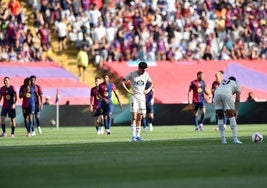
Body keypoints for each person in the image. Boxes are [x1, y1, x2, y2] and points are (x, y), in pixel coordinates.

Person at [121, 62, 154, 141]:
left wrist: (148, 90)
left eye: (145, 69)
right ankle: (133, 136)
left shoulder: (146, 75)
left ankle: (138, 136)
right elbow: (123, 81)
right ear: (139, 68)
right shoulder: (132, 74)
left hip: (142, 99)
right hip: (134, 98)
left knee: (140, 117)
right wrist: (128, 91)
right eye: (143, 69)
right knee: (134, 117)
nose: (144, 71)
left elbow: (152, 83)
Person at [214, 76, 242, 144]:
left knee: (220, 118)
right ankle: (235, 139)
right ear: (235, 81)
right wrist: (236, 110)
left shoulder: (223, 82)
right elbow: (237, 98)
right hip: (226, 94)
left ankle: (223, 140)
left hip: (216, 94)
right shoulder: (236, 84)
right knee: (232, 117)